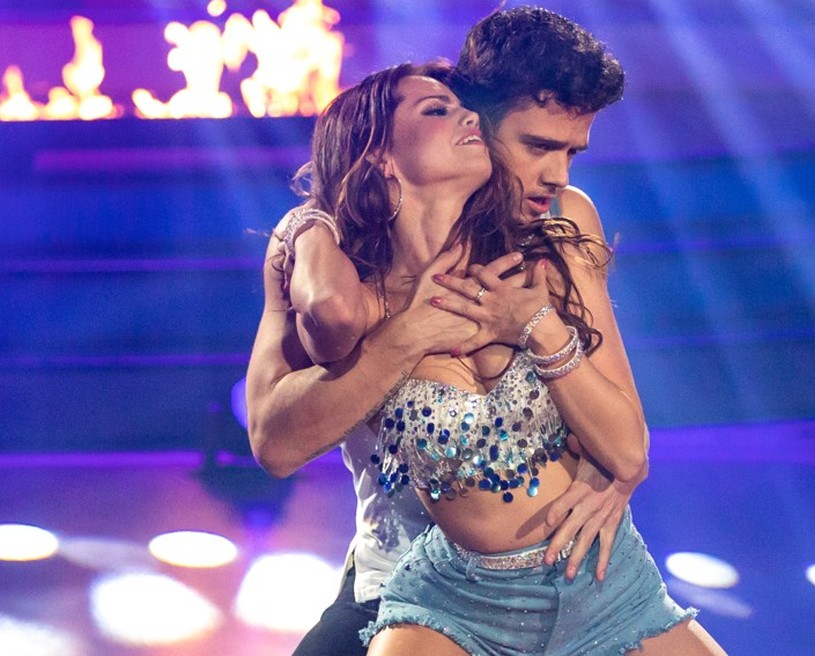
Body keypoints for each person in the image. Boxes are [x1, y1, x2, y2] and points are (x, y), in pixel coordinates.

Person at [245, 7, 720, 655]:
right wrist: (391, 317)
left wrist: (615, 475)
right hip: (403, 585)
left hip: (581, 578)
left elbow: (620, 421)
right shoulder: (334, 255)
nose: (558, 176)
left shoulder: (558, 224)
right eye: (536, 147)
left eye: (570, 152)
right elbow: (274, 442)